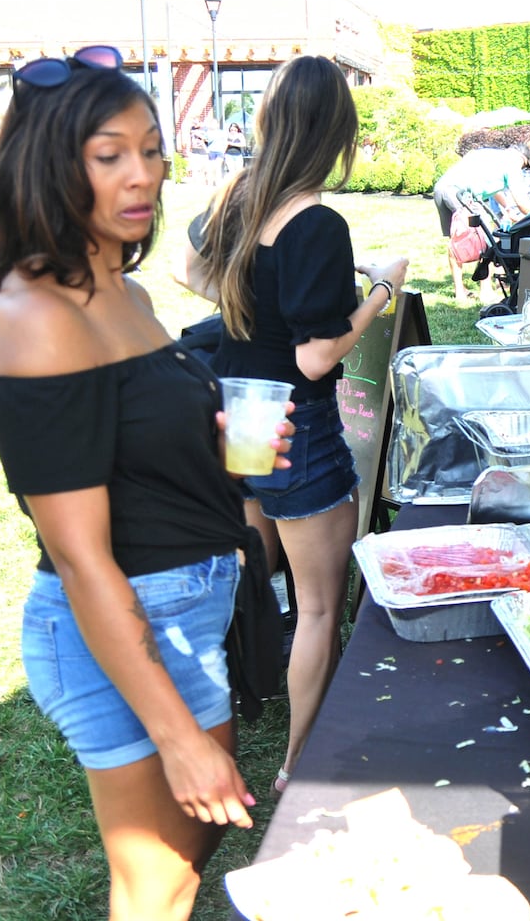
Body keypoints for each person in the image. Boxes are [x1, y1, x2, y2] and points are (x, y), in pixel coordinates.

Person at [0, 48, 280, 920]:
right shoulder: (34, 317)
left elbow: (138, 452)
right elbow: (77, 557)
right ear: (50, 165)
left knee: (191, 855)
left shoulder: (123, 291)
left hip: (188, 604)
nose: (141, 175)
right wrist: (178, 740)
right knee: (157, 881)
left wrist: (229, 449)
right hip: (117, 621)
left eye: (151, 149)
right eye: (109, 155)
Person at [186, 55, 409, 797]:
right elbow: (316, 358)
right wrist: (382, 289)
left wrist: (251, 298)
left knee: (259, 571)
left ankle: (238, 699)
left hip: (240, 414)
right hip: (299, 427)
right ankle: (296, 766)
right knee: (317, 607)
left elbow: (189, 271)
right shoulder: (315, 221)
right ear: (335, 131)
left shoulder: (238, 195)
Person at [431, 142, 530, 235]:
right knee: (483, 235)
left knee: (456, 238)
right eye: (524, 166)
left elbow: (495, 191)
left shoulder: (489, 153)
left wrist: (508, 208)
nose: (522, 169)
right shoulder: (513, 163)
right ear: (522, 159)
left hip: (441, 188)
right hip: (460, 194)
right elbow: (521, 202)